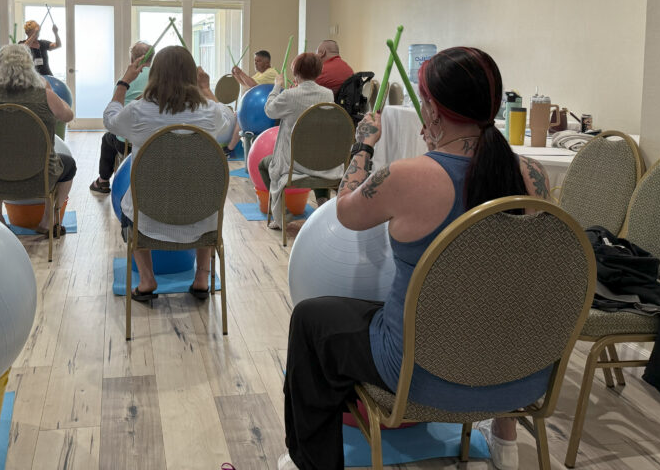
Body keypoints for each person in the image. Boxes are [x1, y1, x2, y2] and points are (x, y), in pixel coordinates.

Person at [279, 47, 552, 470]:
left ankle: (311, 462)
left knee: (311, 320)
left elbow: (346, 210)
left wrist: (363, 144)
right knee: (497, 295)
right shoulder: (534, 176)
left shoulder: (407, 178)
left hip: (422, 374)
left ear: (431, 109)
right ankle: (505, 442)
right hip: (518, 371)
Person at [104, 45, 235, 302]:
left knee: (128, 205)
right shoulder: (209, 112)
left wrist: (123, 82)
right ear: (191, 76)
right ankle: (201, 277)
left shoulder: (140, 111)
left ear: (155, 75)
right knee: (207, 202)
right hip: (201, 212)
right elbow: (230, 118)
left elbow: (110, 120)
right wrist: (206, 88)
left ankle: (146, 279)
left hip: (148, 217)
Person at [0, 44, 76, 234]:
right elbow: (68, 115)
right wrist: (49, 89)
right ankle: (48, 220)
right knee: (69, 165)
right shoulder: (46, 96)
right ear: (30, 67)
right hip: (39, 177)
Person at [259, 52, 339, 232]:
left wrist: (276, 87)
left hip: (294, 164)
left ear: (294, 71)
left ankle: (283, 216)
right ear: (318, 72)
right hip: (324, 163)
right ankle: (322, 202)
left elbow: (270, 111)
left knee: (264, 165)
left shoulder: (289, 95)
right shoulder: (328, 94)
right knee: (317, 157)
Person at [89, 42, 154, 193]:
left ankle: (103, 181)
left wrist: (123, 83)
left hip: (128, 144)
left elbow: (114, 113)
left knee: (108, 138)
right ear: (153, 58)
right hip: (155, 141)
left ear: (132, 59)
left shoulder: (125, 80)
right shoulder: (161, 80)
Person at [226, 50, 279, 153]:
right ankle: (230, 146)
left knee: (240, 118)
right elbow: (245, 83)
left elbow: (253, 85)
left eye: (258, 61)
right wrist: (236, 75)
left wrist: (240, 72)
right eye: (255, 61)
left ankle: (229, 149)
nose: (255, 63)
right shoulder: (260, 74)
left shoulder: (271, 72)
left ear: (267, 63)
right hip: (259, 110)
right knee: (235, 116)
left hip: (266, 112)